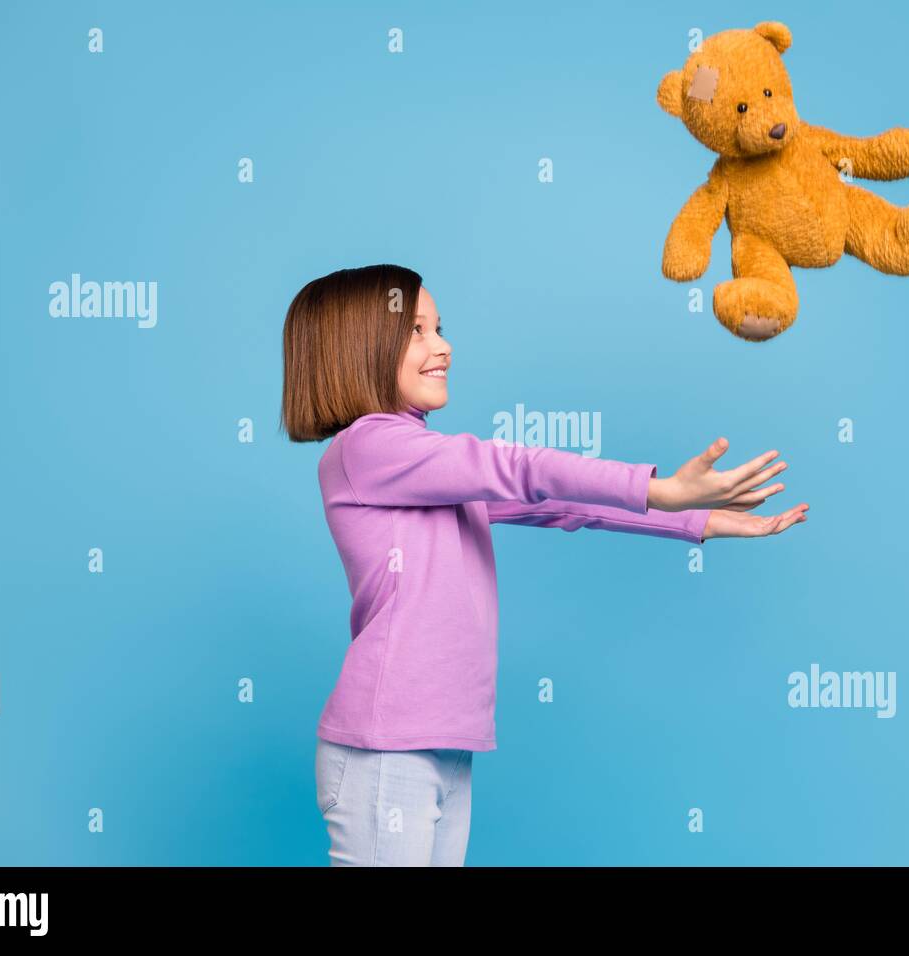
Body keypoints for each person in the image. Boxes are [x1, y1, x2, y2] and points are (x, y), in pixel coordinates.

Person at [281, 264, 809, 866]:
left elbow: (558, 504)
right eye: (417, 331)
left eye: (439, 328)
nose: (443, 345)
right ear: (359, 349)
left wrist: (698, 519)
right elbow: (517, 466)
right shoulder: (367, 448)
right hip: (387, 748)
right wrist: (659, 490)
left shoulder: (419, 462)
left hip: (442, 742)